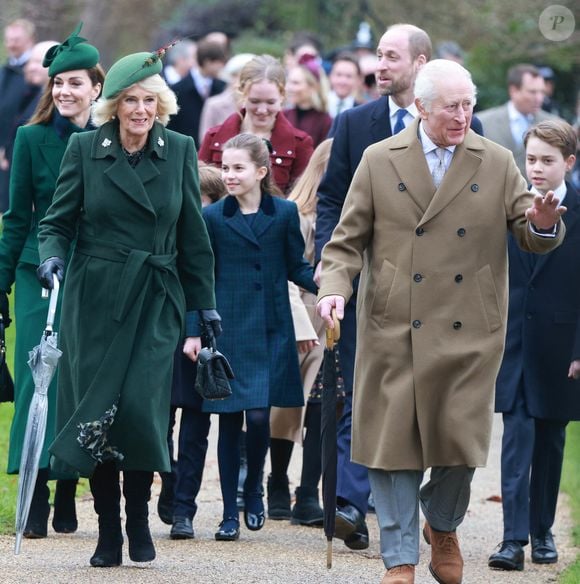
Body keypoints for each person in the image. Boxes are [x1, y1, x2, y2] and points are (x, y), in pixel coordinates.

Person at [317, 58, 565, 584]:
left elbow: (529, 226)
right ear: (421, 107)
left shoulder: (495, 161)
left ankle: (443, 524)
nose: (461, 115)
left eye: (468, 104)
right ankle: (400, 558)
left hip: (469, 330)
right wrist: (334, 292)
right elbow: (345, 241)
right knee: (392, 446)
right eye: (451, 106)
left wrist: (542, 225)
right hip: (393, 325)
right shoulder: (379, 159)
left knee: (460, 444)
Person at [36, 48, 217, 568]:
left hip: (156, 299)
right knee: (96, 415)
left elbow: (193, 236)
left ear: (161, 104)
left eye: (149, 100)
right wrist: (50, 260)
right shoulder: (86, 150)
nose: (140, 109)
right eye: (130, 100)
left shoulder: (179, 149)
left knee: (141, 411)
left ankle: (138, 520)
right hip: (93, 299)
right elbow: (56, 222)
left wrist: (205, 307)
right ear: (112, 105)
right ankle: (108, 531)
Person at [315, 23, 432, 553]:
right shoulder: (354, 121)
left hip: (433, 295)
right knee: (357, 392)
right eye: (377, 58)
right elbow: (331, 201)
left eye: (389, 57)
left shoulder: (454, 123)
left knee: (421, 404)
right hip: (365, 286)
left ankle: (420, 509)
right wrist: (330, 268)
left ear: (420, 62)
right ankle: (347, 504)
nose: (378, 67)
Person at [0, 24, 103, 540]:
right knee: (35, 377)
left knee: (76, 382)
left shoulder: (109, 142)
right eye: (57, 82)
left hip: (92, 272)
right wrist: (0, 288)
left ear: (96, 88)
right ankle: (35, 489)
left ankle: (67, 487)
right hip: (35, 270)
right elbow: (17, 217)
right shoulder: (30, 138)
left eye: (75, 83)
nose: (64, 90)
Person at [201, 133, 317, 541]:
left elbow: (295, 267)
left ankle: (255, 490)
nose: (229, 175)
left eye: (238, 168)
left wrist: (328, 285)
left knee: (259, 416)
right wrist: (197, 329)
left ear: (261, 171)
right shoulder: (214, 217)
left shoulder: (284, 214)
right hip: (228, 328)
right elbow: (202, 277)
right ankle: (230, 511)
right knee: (229, 421)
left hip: (270, 327)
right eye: (225, 167)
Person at [488, 119, 580, 572]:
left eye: (547, 160)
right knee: (516, 436)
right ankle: (512, 538)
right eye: (531, 160)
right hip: (514, 339)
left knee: (551, 439)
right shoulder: (511, 204)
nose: (537, 169)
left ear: (569, 162)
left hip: (562, 342)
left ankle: (543, 531)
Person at [269, 138, 334, 526]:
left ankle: (308, 491)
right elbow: (286, 271)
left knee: (326, 407)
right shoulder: (297, 214)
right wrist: (297, 322)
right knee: (288, 405)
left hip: (337, 318)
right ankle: (277, 479)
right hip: (303, 313)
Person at [162, 161, 228, 540]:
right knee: (162, 421)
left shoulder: (219, 233)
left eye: (204, 202)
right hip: (168, 335)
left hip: (207, 336)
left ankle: (185, 507)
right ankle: (169, 483)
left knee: (196, 429)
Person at [199, 55, 314, 195]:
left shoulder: (299, 144)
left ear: (282, 96)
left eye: (270, 102)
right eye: (254, 101)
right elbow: (199, 190)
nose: (262, 110)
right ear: (242, 94)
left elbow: (302, 199)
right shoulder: (214, 138)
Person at [478, 64, 554, 176]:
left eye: (542, 92)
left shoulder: (554, 125)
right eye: (532, 92)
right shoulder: (483, 122)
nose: (539, 98)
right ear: (513, 91)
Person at [0, 19, 36, 212]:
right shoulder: (4, 71)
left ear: (30, 40)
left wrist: (7, 147)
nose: (11, 44)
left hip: (15, 147)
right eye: (8, 40)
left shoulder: (34, 75)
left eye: (16, 40)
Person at [168, 39, 227, 146]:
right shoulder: (177, 90)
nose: (222, 67)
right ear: (208, 62)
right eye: (219, 62)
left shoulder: (222, 87)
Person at [199, 53, 256, 140]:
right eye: (236, 76)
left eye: (248, 78)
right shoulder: (214, 104)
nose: (240, 81)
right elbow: (204, 139)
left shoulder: (261, 105)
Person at [284, 54, 332, 148]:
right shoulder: (284, 115)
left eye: (295, 83)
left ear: (312, 86)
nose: (289, 88)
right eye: (288, 82)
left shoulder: (326, 122)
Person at [327, 53, 363, 118]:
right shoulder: (317, 107)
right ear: (330, 76)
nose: (343, 81)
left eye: (348, 76)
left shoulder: (362, 112)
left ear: (358, 80)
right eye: (338, 74)